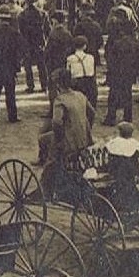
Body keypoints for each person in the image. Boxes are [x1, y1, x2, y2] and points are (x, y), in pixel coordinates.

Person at [38, 68, 94, 196]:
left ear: (58, 84)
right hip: (85, 139)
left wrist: (59, 139)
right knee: (48, 138)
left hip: (68, 143)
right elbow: (92, 113)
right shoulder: (80, 95)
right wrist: (85, 128)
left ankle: (46, 186)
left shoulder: (60, 100)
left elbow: (56, 123)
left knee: (43, 141)